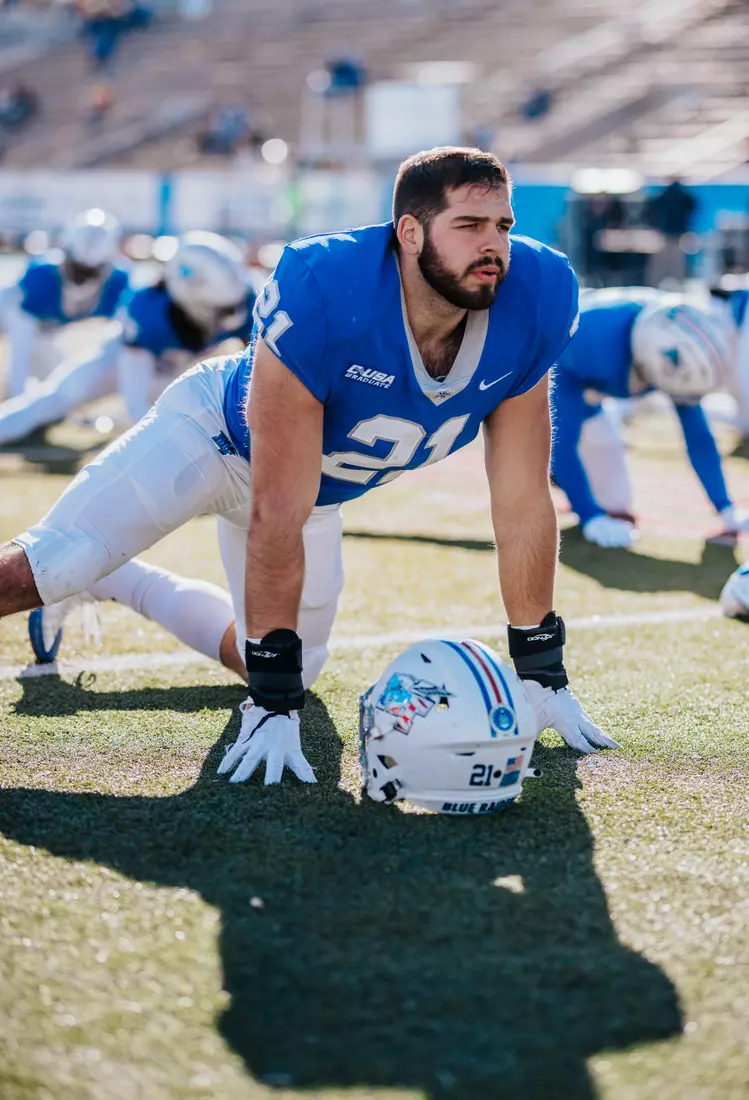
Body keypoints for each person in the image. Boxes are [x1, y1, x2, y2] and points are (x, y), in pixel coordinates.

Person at [0, 147, 617, 791]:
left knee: (288, 660)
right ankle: (88, 570)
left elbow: (521, 502)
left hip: (313, 494)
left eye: (504, 226)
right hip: (214, 434)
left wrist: (540, 672)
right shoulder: (328, 282)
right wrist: (271, 702)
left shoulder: (534, 298)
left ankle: (119, 580)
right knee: (54, 562)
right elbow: (275, 508)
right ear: (409, 232)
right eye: (469, 225)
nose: (494, 246)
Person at [0, 230, 254, 447]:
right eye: (220, 310)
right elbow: (136, 403)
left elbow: (256, 368)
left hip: (176, 370)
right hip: (117, 366)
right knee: (57, 398)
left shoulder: (240, 300)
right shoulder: (149, 311)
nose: (228, 317)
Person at [550, 287, 741, 548]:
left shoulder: (673, 338)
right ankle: (550, 476)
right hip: (535, 374)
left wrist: (725, 508)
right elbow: (558, 436)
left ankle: (563, 480)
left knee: (614, 503)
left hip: (588, 390)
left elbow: (698, 436)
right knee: (530, 455)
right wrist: (590, 516)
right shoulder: (584, 343)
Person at [0, 208, 128, 401]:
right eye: (77, 269)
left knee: (52, 382)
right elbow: (21, 346)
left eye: (91, 272)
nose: (82, 279)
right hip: (9, 316)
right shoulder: (41, 276)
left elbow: (124, 339)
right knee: (23, 390)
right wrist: (19, 401)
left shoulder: (117, 283)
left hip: (46, 331)